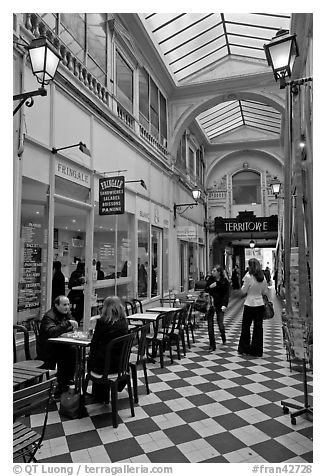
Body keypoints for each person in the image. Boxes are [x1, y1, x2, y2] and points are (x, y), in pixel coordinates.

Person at [87, 296, 129, 402]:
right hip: (121, 365)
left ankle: (99, 395)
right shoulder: (123, 322)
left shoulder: (103, 322)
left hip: (104, 367)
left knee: (93, 358)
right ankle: (105, 393)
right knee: (101, 355)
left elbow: (94, 343)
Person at [37, 295, 78, 394]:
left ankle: (67, 381)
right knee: (68, 353)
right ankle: (64, 383)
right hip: (48, 349)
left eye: (68, 304)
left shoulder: (66, 313)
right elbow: (51, 332)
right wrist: (67, 324)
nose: (67, 307)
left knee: (73, 350)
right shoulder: (49, 316)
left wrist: (66, 327)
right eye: (64, 305)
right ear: (56, 305)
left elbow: (72, 326)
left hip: (59, 345)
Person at [237, 258, 270, 357]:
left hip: (249, 304)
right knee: (258, 328)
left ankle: (245, 348)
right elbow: (265, 292)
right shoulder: (262, 277)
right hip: (260, 304)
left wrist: (241, 290)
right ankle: (257, 350)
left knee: (246, 327)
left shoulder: (248, 277)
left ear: (250, 266)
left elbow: (243, 291)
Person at [205, 265, 230, 350]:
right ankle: (212, 345)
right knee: (210, 325)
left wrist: (224, 305)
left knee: (220, 324)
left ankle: (223, 336)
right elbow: (206, 290)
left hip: (220, 304)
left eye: (214, 271)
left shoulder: (224, 282)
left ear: (219, 272)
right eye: (212, 270)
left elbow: (226, 295)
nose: (212, 272)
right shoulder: (210, 280)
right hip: (211, 304)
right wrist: (210, 287)